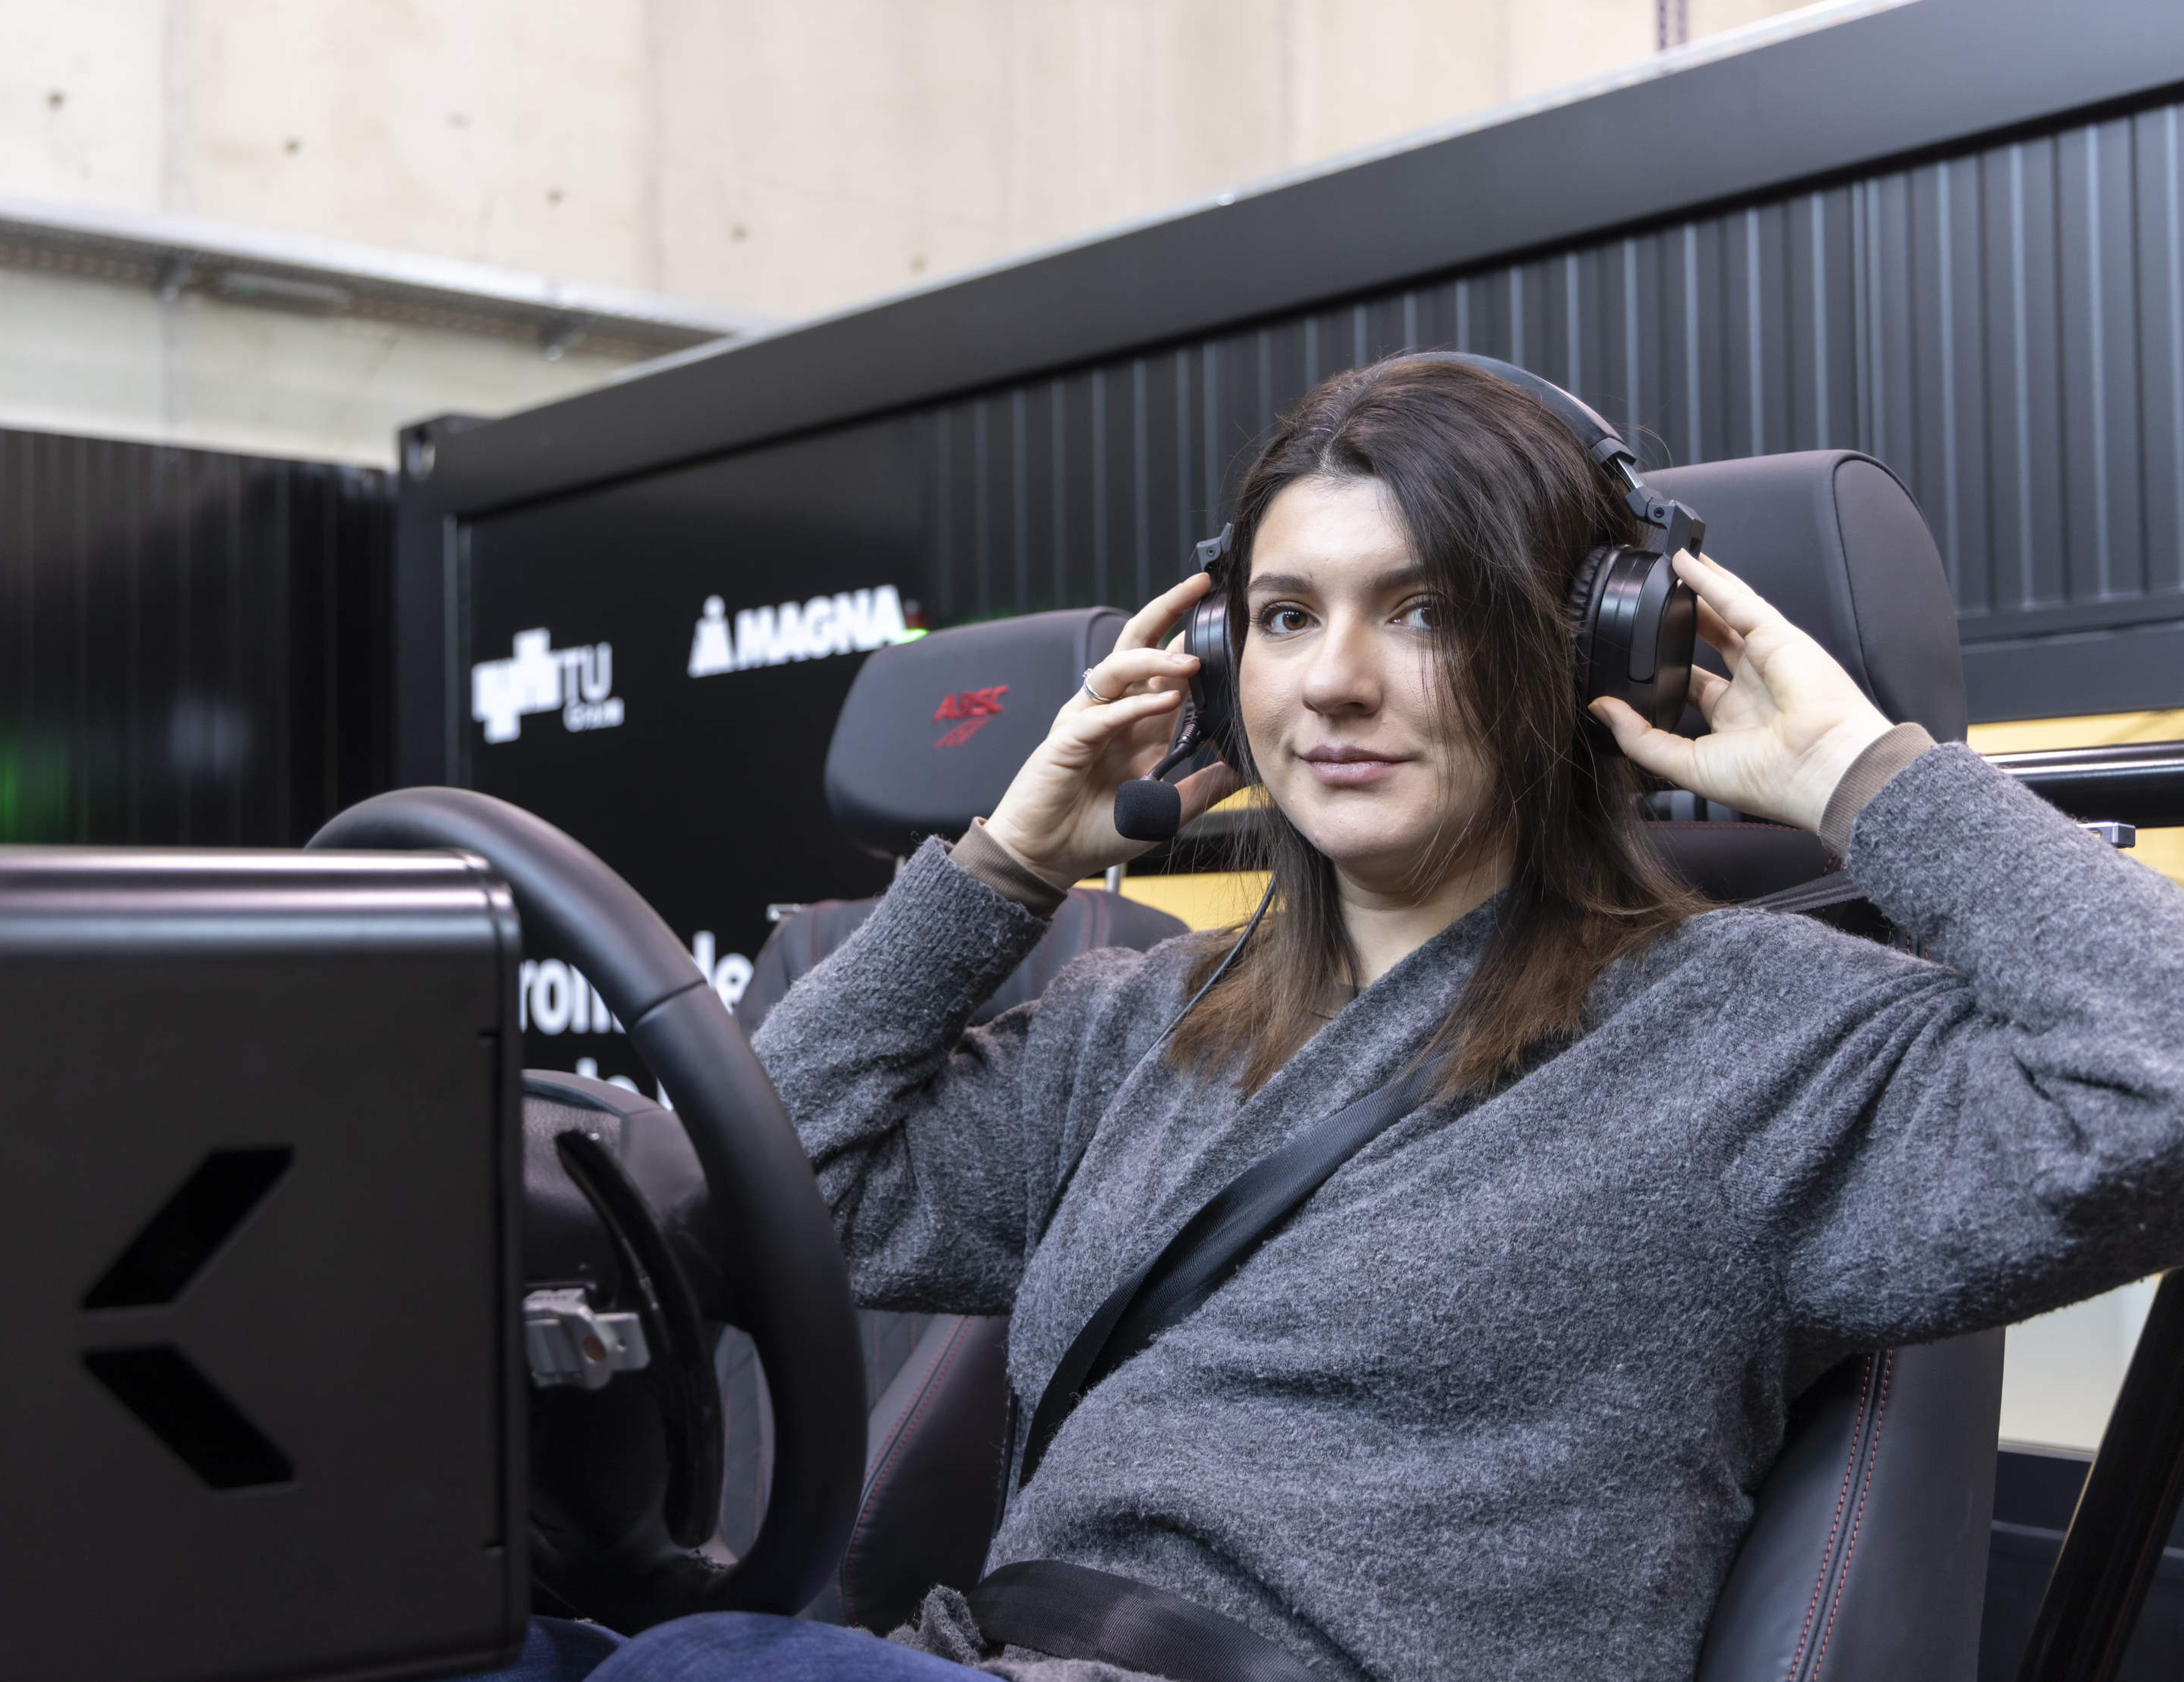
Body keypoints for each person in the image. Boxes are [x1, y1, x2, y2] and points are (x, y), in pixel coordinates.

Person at [486, 356, 2184, 1680]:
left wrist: (1870, 780)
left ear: (1572, 645)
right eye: (1289, 617)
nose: (1333, 681)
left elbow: (2160, 1081)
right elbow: (783, 1189)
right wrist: (1001, 867)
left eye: (1424, 610)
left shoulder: (1768, 1033)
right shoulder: (1140, 1022)